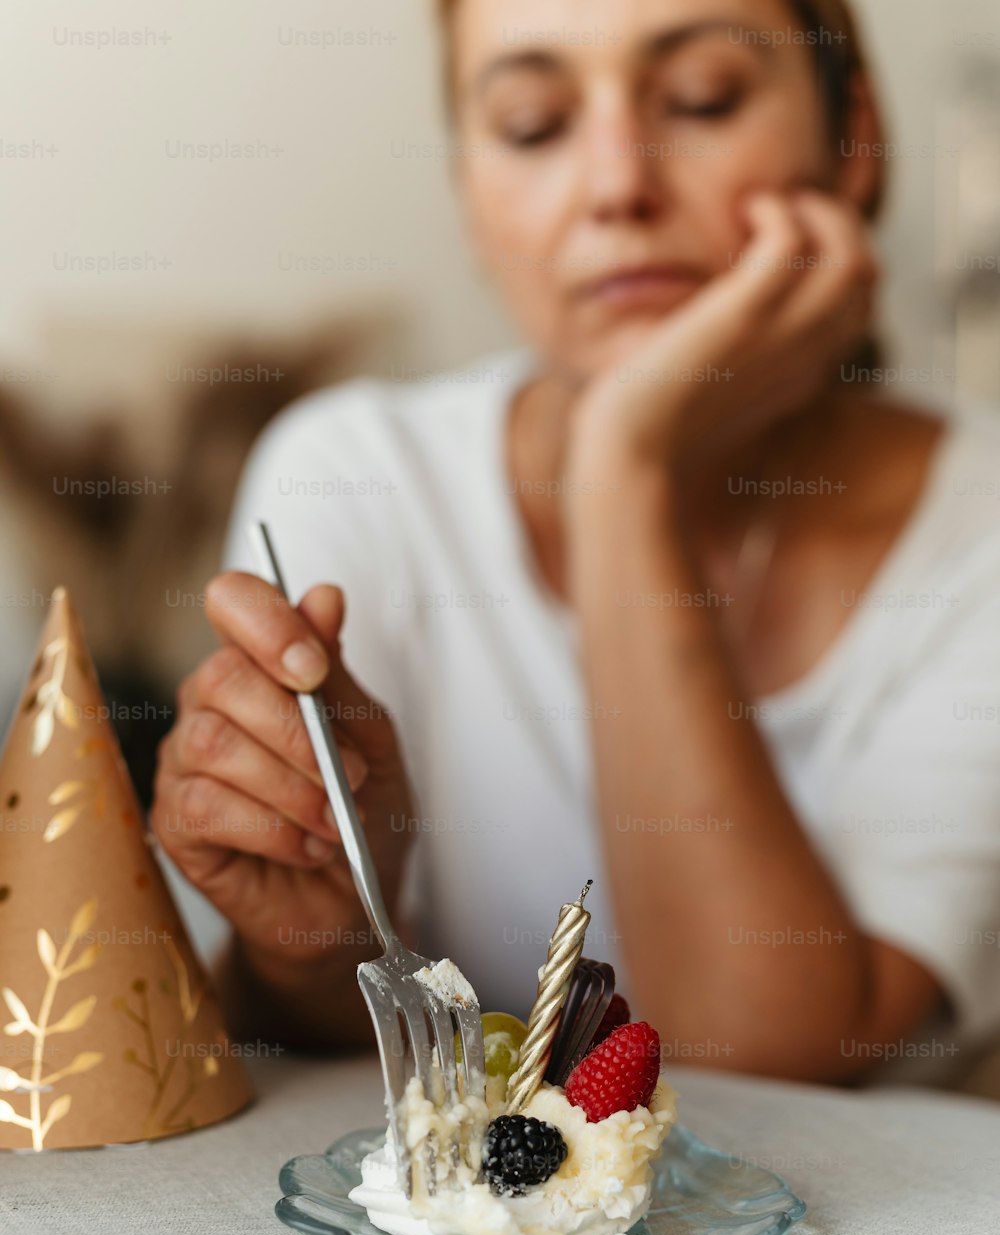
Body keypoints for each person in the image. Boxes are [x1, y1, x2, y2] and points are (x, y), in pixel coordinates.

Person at [151, 0, 1000, 1084]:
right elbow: (314, 1079)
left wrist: (622, 469)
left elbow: (755, 1076)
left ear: (855, 137)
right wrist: (312, 950)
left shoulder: (976, 532)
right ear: (467, 192)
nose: (616, 186)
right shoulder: (359, 479)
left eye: (704, 99)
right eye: (533, 124)